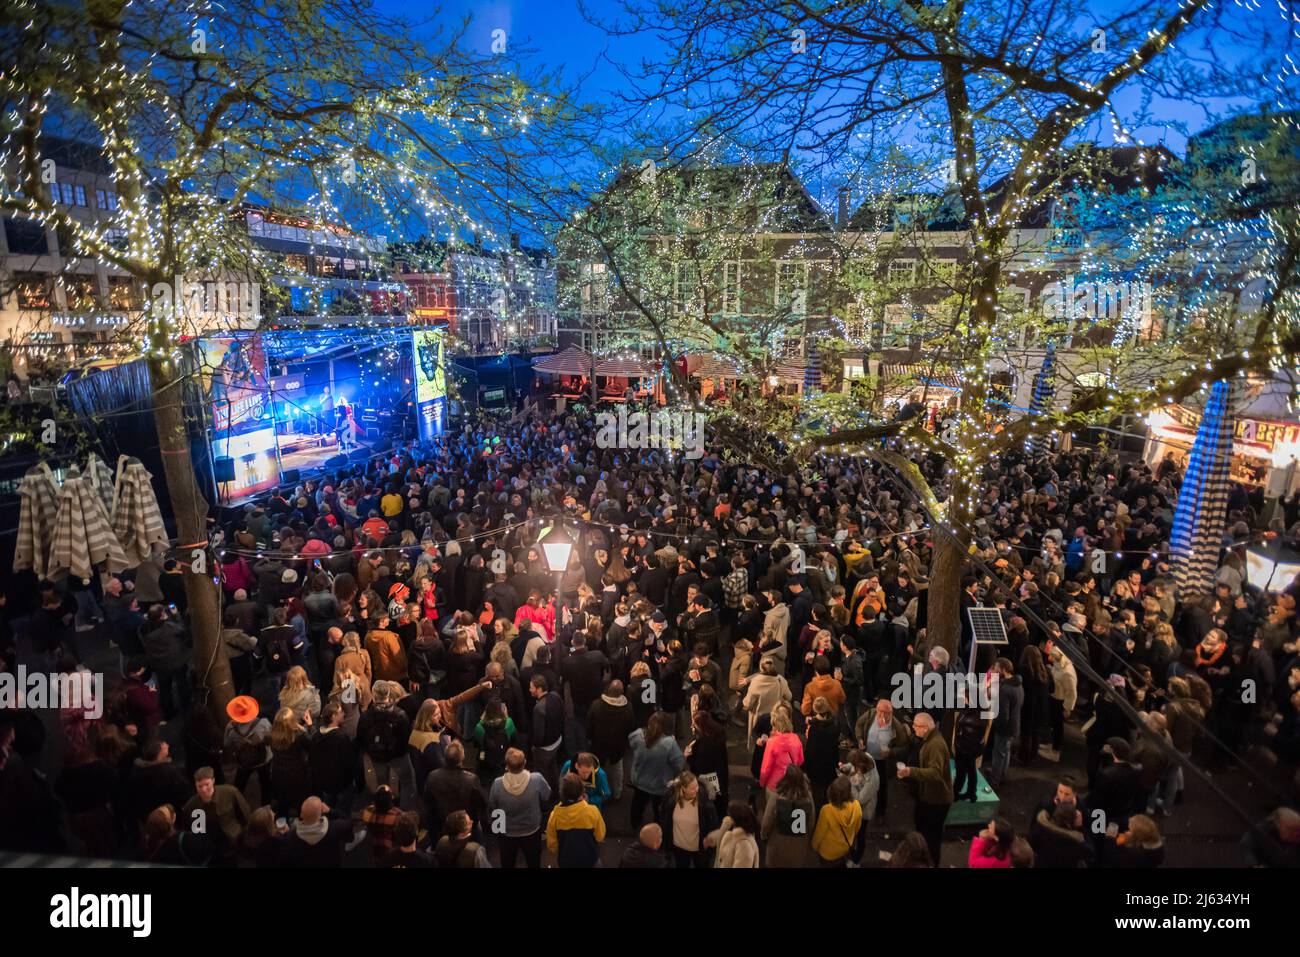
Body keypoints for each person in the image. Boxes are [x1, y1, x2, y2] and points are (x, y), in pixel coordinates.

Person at [897, 711, 953, 865]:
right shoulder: (929, 739)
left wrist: (910, 771)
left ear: (926, 727)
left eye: (916, 725)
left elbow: (935, 773)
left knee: (931, 838)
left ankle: (932, 863)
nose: (913, 727)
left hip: (936, 800)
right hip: (928, 797)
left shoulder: (935, 745)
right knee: (922, 828)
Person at [487, 748, 552, 869]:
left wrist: (496, 828)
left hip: (507, 832)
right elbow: (547, 795)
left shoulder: (497, 783)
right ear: (524, 762)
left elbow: (493, 806)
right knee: (533, 862)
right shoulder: (536, 779)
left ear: (507, 765)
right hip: (531, 829)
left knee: (507, 862)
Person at [181, 766, 252, 864]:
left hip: (233, 842)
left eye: (207, 784)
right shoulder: (191, 806)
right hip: (210, 847)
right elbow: (194, 830)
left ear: (213, 781)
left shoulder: (230, 792)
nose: (204, 790)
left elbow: (246, 815)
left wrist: (242, 837)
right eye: (199, 786)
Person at [628, 711, 686, 831]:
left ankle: (635, 824)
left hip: (639, 780)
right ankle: (659, 828)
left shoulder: (638, 735)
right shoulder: (669, 744)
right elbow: (679, 764)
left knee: (637, 804)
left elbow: (631, 743)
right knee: (659, 809)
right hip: (660, 784)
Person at [545, 773, 607, 867]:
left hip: (566, 861)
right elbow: (600, 836)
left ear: (562, 793)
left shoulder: (554, 816)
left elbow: (552, 846)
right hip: (590, 860)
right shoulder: (592, 811)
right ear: (582, 793)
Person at [760, 764, 816, 867]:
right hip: (799, 844)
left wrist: (763, 835)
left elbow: (767, 821)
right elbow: (811, 822)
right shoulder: (808, 797)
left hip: (778, 843)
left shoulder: (777, 795)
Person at [659, 770, 718, 868]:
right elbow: (664, 817)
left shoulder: (704, 803)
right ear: (683, 788)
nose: (696, 790)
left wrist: (710, 839)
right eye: (692, 788)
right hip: (678, 848)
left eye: (697, 786)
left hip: (699, 849)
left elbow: (713, 823)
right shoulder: (671, 800)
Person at [224, 695, 272, 803]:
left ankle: (236, 804)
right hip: (263, 760)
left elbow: (226, 744)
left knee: (239, 784)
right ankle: (266, 807)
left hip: (243, 762)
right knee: (266, 785)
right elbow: (271, 740)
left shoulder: (231, 728)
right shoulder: (263, 723)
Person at [812, 775, 863, 867]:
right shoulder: (856, 806)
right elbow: (857, 828)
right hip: (845, 848)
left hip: (828, 852)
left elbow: (820, 833)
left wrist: (814, 846)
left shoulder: (827, 810)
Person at [705, 801, 761, 868]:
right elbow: (722, 833)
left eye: (731, 815)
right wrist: (711, 838)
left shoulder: (744, 844)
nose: (729, 817)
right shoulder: (729, 823)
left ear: (737, 819)